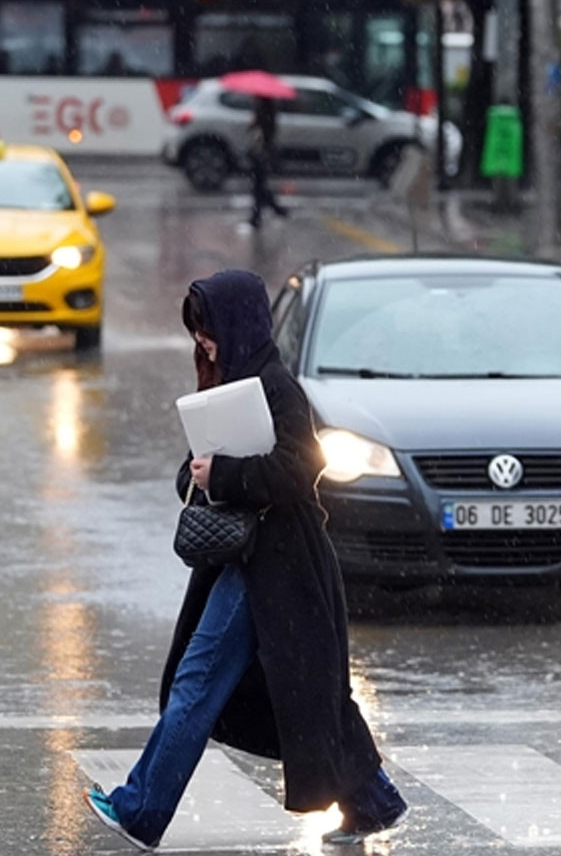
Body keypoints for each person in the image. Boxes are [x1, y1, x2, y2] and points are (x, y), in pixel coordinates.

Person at [83, 271, 406, 851]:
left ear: (236, 325)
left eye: (208, 329)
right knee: (308, 693)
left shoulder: (279, 389)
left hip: (280, 565)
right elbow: (191, 471)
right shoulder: (228, 386)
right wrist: (201, 474)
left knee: (202, 682)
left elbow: (301, 469)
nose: (202, 342)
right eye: (197, 331)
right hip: (246, 561)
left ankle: (140, 809)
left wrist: (225, 474)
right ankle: (373, 799)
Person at [247, 97, 289, 229]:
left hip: (261, 153)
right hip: (263, 152)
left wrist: (254, 122)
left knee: (258, 186)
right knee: (259, 185)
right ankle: (274, 209)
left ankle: (258, 216)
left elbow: (262, 131)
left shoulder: (264, 110)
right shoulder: (267, 109)